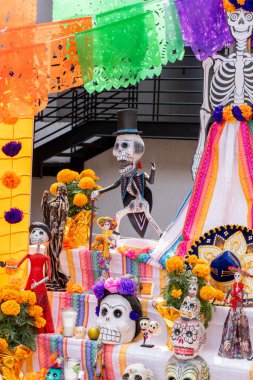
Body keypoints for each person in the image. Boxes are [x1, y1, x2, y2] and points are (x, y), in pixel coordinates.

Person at [0, 222, 54, 333]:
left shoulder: (46, 257)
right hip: (31, 281)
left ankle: (42, 327)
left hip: (38, 282)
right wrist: (5, 265)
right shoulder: (29, 255)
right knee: (27, 301)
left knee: (40, 302)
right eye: (33, 232)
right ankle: (26, 328)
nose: (35, 235)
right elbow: (16, 266)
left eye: (39, 233)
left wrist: (38, 283)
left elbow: (48, 276)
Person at [218, 266, 252, 359]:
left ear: (241, 278)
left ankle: (244, 352)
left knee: (242, 330)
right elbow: (228, 298)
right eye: (235, 275)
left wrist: (244, 302)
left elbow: (245, 300)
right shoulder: (232, 289)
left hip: (240, 311)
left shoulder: (244, 289)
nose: (236, 277)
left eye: (238, 276)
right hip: (232, 310)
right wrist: (226, 301)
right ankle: (227, 351)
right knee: (230, 329)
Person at [41, 184, 69, 290]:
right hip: (50, 229)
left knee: (55, 252)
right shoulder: (52, 202)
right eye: (58, 190)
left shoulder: (64, 203)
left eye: (61, 190)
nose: (59, 192)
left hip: (57, 231)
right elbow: (45, 212)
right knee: (49, 253)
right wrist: (44, 200)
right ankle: (49, 277)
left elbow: (63, 217)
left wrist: (61, 228)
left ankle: (56, 277)